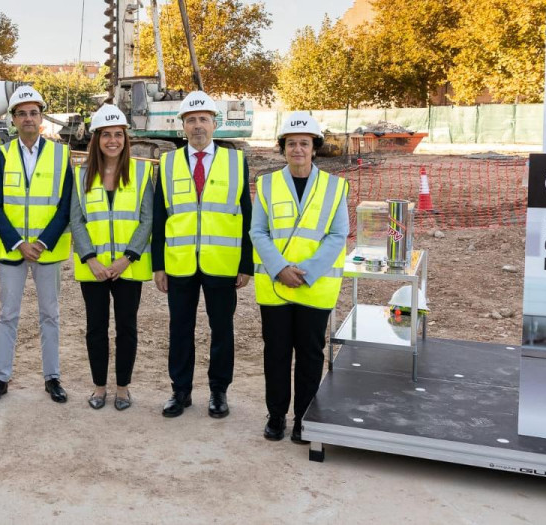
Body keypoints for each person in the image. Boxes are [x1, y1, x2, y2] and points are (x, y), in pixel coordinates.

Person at [153, 91, 253, 419]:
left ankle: (218, 391)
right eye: (191, 120)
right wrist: (158, 265)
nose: (198, 126)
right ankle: (180, 391)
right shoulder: (167, 163)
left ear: (215, 123)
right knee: (180, 329)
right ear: (182, 125)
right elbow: (159, 216)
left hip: (222, 263)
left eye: (203, 119)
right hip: (180, 263)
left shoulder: (236, 161)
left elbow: (246, 215)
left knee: (221, 329)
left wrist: (245, 263)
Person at [252, 111, 349, 444]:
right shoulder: (266, 184)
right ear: (283, 148)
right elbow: (258, 231)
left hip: (314, 286)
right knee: (276, 353)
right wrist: (280, 268)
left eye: (304, 144)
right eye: (291, 144)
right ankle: (276, 416)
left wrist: (305, 273)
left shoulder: (335, 187)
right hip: (276, 286)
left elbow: (338, 235)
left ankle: (304, 418)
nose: (297, 149)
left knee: (310, 355)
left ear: (314, 147)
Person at [0, 85, 74, 405]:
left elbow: (66, 206)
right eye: (21, 113)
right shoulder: (1, 154)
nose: (28, 119)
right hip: (13, 250)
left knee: (50, 315)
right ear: (13, 119)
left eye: (34, 113)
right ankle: (0, 377)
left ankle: (52, 377)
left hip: (48, 251)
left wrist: (43, 242)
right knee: (8, 315)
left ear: (41, 117)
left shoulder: (61, 154)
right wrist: (20, 243)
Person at [67, 104, 153, 411]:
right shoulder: (80, 176)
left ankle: (123, 388)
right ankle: (99, 387)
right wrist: (91, 260)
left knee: (126, 328)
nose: (113, 140)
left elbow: (147, 220)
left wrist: (126, 259)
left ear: (126, 139)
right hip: (94, 268)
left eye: (118, 134)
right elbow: (76, 221)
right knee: (96, 328)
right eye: (106, 135)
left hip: (127, 268)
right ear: (96, 139)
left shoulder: (142, 172)